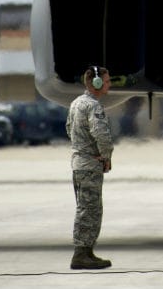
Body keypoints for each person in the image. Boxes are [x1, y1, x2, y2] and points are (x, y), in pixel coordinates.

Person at [66, 65, 114, 270]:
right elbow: (101, 133)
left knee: (86, 208)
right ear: (97, 83)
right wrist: (106, 155)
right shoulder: (93, 106)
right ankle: (81, 254)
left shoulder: (76, 103)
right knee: (90, 210)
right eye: (107, 80)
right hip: (89, 166)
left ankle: (86, 252)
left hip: (79, 164)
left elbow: (69, 129)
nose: (109, 84)